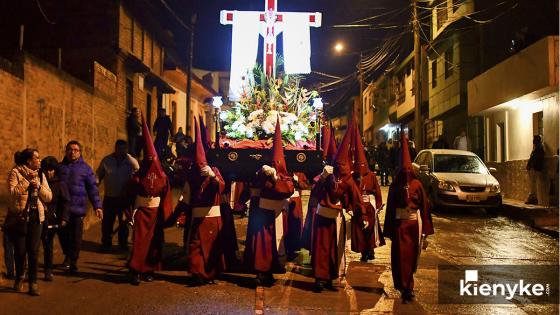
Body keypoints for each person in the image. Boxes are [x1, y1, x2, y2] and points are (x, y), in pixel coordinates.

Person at [311, 121, 365, 293]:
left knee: (335, 249)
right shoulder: (327, 174)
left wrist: (361, 215)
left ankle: (331, 276)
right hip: (322, 216)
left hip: (336, 219)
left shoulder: (348, 180)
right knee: (321, 248)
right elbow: (316, 192)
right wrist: (322, 178)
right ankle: (320, 278)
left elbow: (356, 199)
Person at [244, 116, 294, 287]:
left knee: (275, 244)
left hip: (278, 214)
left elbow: (288, 189)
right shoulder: (261, 172)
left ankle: (271, 270)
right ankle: (260, 272)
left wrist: (275, 179)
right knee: (262, 243)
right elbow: (253, 188)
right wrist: (262, 175)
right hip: (263, 213)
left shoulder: (285, 175)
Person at [384, 132, 434, 303]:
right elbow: (390, 208)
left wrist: (425, 232)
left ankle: (408, 287)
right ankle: (402, 285)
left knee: (412, 257)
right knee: (400, 257)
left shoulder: (417, 184)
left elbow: (425, 208)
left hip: (413, 225)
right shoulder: (395, 186)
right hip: (400, 226)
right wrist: (389, 229)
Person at [178, 118, 228, 284]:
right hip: (197, 217)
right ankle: (196, 273)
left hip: (212, 217)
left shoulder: (213, 171)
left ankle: (211, 273)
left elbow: (221, 187)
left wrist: (213, 176)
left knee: (212, 248)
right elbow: (186, 195)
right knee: (196, 246)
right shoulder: (191, 175)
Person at [128, 116, 173, 285]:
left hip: (155, 213)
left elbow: (166, 197)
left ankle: (149, 269)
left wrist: (165, 215)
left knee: (154, 242)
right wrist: (129, 213)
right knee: (139, 242)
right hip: (141, 212)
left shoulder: (163, 177)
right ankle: (135, 270)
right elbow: (129, 196)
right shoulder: (137, 178)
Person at [6, 149, 52, 296]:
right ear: (29, 161)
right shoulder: (16, 172)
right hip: (20, 218)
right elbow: (13, 193)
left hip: (36, 217)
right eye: (37, 158)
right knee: (20, 252)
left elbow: (49, 197)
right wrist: (26, 180)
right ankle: (20, 276)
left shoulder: (41, 174)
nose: (39, 161)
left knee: (33, 252)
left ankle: (33, 282)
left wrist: (38, 186)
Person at [59, 141, 103, 273]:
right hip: (62, 210)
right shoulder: (60, 168)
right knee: (63, 235)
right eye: (70, 149)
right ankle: (67, 255)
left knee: (76, 237)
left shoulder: (85, 169)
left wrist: (97, 206)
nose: (73, 152)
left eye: (76, 150)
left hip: (78, 209)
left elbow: (92, 189)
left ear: (80, 152)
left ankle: (73, 260)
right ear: (66, 151)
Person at [96, 140, 139, 252]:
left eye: (124, 148)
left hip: (124, 198)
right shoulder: (107, 160)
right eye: (119, 148)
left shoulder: (131, 161)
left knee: (123, 223)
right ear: (115, 148)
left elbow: (138, 173)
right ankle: (106, 242)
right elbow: (99, 174)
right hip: (110, 197)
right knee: (107, 222)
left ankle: (123, 244)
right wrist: (95, 182)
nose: (121, 151)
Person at [351, 124, 384, 262]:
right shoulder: (353, 176)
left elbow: (377, 191)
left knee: (371, 229)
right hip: (359, 206)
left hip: (369, 205)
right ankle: (364, 251)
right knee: (360, 230)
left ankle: (370, 250)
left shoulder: (371, 175)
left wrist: (378, 204)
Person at [40, 156, 71, 282]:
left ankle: (66, 260)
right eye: (46, 170)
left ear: (55, 170)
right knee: (45, 245)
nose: (49, 172)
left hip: (55, 220)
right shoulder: (40, 182)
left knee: (57, 243)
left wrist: (64, 217)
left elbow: (65, 201)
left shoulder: (60, 184)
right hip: (41, 218)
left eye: (51, 170)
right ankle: (46, 270)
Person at [526, 135, 545, 205]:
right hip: (535, 169)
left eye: (534, 140)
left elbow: (535, 159)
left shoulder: (538, 148)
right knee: (533, 185)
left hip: (535, 169)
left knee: (533, 185)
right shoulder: (538, 148)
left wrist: (532, 166)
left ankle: (533, 199)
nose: (533, 141)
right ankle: (533, 198)